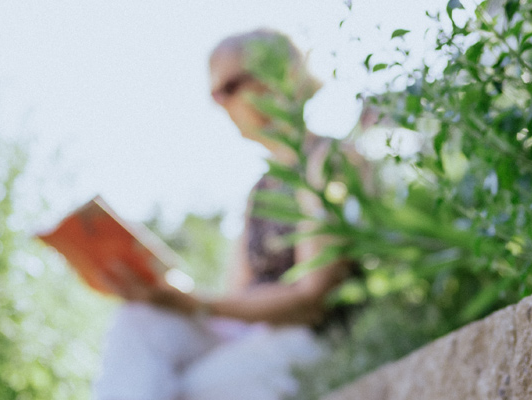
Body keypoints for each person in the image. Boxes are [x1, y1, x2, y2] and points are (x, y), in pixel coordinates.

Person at [91, 29, 365, 400]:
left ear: (277, 77)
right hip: (253, 335)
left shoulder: (327, 161)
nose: (220, 104)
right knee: (137, 321)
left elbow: (311, 298)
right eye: (214, 95)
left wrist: (193, 303)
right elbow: (236, 299)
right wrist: (166, 293)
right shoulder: (261, 192)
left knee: (187, 391)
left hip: (310, 338)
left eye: (229, 87)